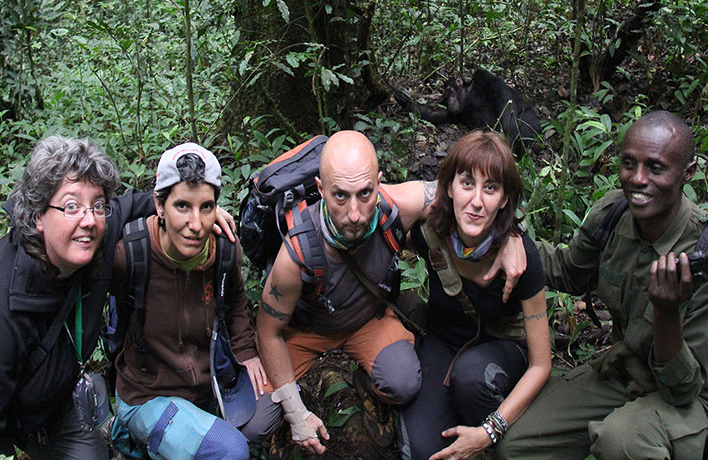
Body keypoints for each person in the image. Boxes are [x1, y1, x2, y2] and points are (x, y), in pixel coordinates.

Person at [256, 130, 526, 455]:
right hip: (305, 330)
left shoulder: (395, 206)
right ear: (321, 190)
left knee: (403, 383)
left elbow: (465, 198)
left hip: (365, 321)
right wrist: (296, 411)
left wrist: (512, 233)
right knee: (257, 423)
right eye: (340, 196)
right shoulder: (297, 252)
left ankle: (363, 383)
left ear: (379, 183)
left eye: (365, 193)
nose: (354, 213)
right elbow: (268, 331)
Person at [0, 136, 237, 460]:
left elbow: (143, 202)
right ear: (37, 216)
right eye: (71, 206)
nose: (88, 219)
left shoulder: (92, 235)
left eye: (97, 205)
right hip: (4, 418)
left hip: (58, 402)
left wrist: (195, 211)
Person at [497, 110, 708, 459]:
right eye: (628, 163)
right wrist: (508, 240)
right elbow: (569, 270)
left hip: (688, 399)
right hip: (627, 373)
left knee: (621, 440)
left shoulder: (700, 254)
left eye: (656, 168)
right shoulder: (615, 215)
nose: (637, 179)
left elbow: (684, 389)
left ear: (687, 173)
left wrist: (667, 313)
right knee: (516, 443)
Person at [111, 143, 278, 460]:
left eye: (206, 207)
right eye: (182, 206)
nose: (196, 224)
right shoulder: (130, 255)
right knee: (230, 451)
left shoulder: (224, 252)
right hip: (146, 393)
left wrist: (246, 352)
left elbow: (236, 302)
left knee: (264, 416)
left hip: (204, 387)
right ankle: (134, 435)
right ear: (159, 205)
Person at [400, 131, 551, 460]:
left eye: (491, 187)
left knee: (471, 378)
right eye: (467, 183)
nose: (477, 201)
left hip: (504, 353)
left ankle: (491, 445)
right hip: (442, 344)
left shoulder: (521, 256)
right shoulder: (431, 233)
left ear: (505, 199)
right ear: (450, 188)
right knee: (423, 449)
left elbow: (542, 365)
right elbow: (374, 223)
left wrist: (489, 431)